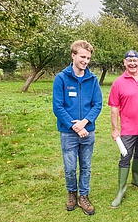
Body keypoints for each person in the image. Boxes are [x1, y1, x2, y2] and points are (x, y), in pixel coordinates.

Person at [53, 40, 103, 215]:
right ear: (73, 55)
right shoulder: (61, 78)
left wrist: (85, 123)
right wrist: (75, 126)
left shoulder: (93, 79)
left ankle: (84, 196)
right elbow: (58, 107)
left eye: (88, 58)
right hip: (68, 132)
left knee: (86, 166)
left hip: (87, 131)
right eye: (82, 56)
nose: (86, 61)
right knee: (69, 167)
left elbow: (97, 104)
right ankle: (71, 193)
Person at [108, 50, 138, 208]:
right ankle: (121, 190)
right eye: (129, 60)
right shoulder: (118, 83)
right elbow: (114, 109)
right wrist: (115, 129)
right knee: (125, 158)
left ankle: (136, 179)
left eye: (135, 60)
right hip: (127, 129)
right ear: (124, 62)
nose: (132, 63)